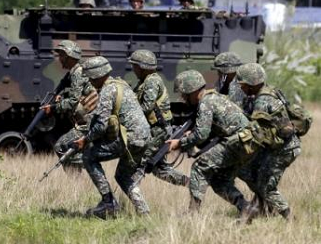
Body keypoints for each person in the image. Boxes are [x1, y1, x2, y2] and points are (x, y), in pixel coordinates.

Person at [166, 70, 261, 214]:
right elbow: (217, 126)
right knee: (219, 181)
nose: (183, 98)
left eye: (184, 94)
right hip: (246, 142)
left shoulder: (205, 103)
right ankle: (246, 208)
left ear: (192, 91)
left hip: (239, 142)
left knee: (199, 167)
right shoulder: (213, 97)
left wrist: (179, 143)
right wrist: (192, 133)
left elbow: (201, 135)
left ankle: (193, 213)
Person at [73, 56, 152, 218]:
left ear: (98, 75)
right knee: (122, 176)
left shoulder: (108, 90)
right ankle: (145, 213)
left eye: (91, 78)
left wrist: (85, 139)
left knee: (88, 156)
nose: (91, 82)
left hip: (129, 138)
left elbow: (101, 125)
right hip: (144, 138)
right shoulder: (121, 84)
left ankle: (108, 202)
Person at [235, 63, 301, 221]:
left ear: (252, 84)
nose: (241, 89)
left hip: (283, 149)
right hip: (279, 146)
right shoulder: (270, 91)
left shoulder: (262, 101)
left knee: (266, 186)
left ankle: (290, 217)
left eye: (243, 85)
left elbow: (258, 133)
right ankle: (262, 208)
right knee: (248, 171)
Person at [128, 50, 189, 186]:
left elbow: (146, 107)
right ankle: (193, 184)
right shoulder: (144, 82)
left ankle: (132, 199)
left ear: (142, 67)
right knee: (159, 169)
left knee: (139, 164)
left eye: (134, 66)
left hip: (157, 131)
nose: (133, 69)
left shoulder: (151, 82)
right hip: (155, 131)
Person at [43, 40, 93, 171]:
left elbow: (73, 102)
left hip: (87, 123)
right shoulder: (74, 72)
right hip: (87, 121)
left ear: (69, 56)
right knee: (69, 148)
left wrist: (53, 108)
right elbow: (76, 94)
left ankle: (77, 179)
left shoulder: (77, 72)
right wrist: (63, 95)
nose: (59, 59)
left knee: (61, 146)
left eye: (61, 55)